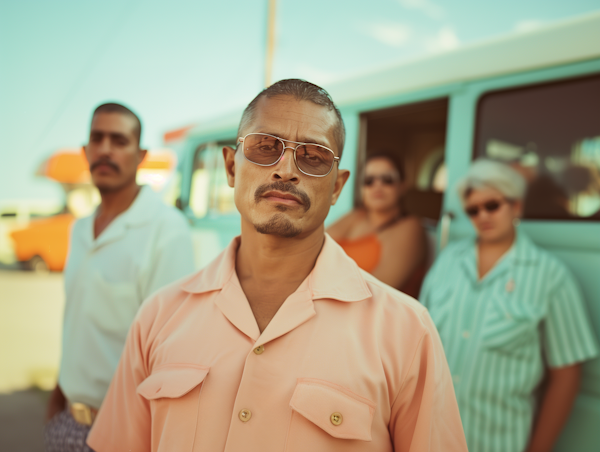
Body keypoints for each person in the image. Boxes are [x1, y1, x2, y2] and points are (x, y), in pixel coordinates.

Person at [87, 80, 467, 452]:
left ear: (336, 187)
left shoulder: (404, 332)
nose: (286, 169)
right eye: (265, 147)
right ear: (232, 168)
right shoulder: (159, 315)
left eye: (313, 157)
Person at [44, 103, 195, 452]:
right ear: (85, 151)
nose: (106, 149)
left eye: (119, 140)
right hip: (65, 423)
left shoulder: (166, 229)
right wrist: (57, 395)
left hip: (123, 432)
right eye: (97, 139)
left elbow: (170, 348)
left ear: (141, 154)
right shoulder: (80, 229)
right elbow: (78, 322)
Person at [420, 159, 599, 452]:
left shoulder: (550, 276)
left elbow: (566, 375)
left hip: (498, 442)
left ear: (516, 206)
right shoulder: (448, 260)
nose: (483, 215)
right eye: (473, 210)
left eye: (492, 205)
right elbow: (419, 340)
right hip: (429, 438)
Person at [327, 153, 427, 297]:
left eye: (387, 180)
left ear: (402, 185)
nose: (377, 185)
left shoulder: (410, 227)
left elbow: (377, 290)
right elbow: (312, 247)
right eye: (369, 180)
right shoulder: (355, 216)